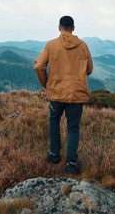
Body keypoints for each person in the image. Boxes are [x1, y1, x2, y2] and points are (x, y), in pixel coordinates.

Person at [34, 15, 94, 175]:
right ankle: (71, 163)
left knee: (54, 122)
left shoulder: (51, 45)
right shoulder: (83, 46)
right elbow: (89, 70)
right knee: (73, 127)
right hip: (76, 93)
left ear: (59, 27)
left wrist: (46, 84)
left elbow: (39, 66)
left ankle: (54, 155)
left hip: (56, 92)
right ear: (73, 28)